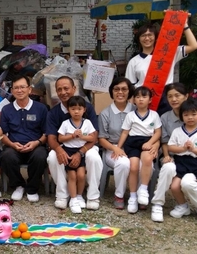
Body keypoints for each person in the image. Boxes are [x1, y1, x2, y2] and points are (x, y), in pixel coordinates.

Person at [151, 83, 197, 222]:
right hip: (175, 157)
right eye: (170, 96)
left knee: (195, 184)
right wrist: (167, 155)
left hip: (196, 158)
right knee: (169, 170)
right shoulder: (165, 117)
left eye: (177, 95)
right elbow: (165, 141)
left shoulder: (196, 115)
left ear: (186, 96)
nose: (174, 99)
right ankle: (159, 204)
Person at [46, 76, 102, 210]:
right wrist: (59, 150)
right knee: (53, 157)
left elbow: (94, 137)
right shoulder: (54, 112)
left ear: (74, 89)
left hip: (86, 146)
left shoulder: (86, 107)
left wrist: (80, 153)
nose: (63, 92)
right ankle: (62, 195)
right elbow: (52, 138)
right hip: (65, 146)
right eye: (59, 89)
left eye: (66, 88)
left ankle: (93, 196)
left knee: (93, 157)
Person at [125, 15, 197, 114]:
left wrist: (184, 24)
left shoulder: (168, 53)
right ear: (138, 39)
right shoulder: (134, 61)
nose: (147, 38)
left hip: (166, 98)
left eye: (150, 35)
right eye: (143, 35)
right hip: (144, 99)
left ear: (156, 37)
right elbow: (130, 87)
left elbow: (194, 45)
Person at [0, 74, 48, 202]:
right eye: (16, 88)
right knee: (6, 156)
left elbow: (47, 133)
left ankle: (32, 188)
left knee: (40, 156)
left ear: (29, 89)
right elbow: (2, 134)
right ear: (12, 91)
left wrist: (37, 143)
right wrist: (12, 144)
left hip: (35, 145)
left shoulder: (41, 108)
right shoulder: (6, 109)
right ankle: (18, 185)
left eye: (22, 87)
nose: (19, 90)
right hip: (14, 146)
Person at [168, 99, 197, 223]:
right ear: (181, 116)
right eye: (186, 114)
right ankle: (183, 205)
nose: (190, 117)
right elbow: (170, 147)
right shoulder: (177, 131)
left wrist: (194, 149)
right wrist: (183, 148)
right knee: (174, 187)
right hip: (181, 162)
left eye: (193, 114)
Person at [117, 86, 162, 214]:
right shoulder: (130, 115)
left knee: (147, 160)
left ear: (150, 100)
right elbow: (125, 133)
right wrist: (118, 148)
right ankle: (132, 196)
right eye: (137, 97)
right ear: (133, 100)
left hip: (147, 142)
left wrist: (150, 142)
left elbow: (158, 132)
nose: (141, 99)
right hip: (132, 142)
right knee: (134, 167)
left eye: (144, 96)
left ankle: (143, 189)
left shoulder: (154, 115)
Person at [99, 78, 137, 210]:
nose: (120, 92)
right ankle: (119, 195)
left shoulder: (136, 110)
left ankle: (137, 195)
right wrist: (115, 148)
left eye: (124, 89)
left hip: (134, 148)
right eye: (116, 89)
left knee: (143, 163)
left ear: (129, 92)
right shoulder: (105, 113)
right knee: (123, 163)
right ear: (112, 92)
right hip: (112, 148)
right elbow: (101, 138)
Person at [57, 96, 97, 214]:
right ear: (69, 110)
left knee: (81, 175)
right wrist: (72, 136)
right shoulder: (65, 123)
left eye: (79, 109)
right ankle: (73, 199)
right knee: (72, 176)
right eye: (73, 109)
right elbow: (60, 138)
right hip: (68, 151)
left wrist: (82, 136)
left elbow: (92, 137)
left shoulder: (87, 123)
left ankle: (79, 196)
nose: (76, 111)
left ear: (84, 110)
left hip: (81, 151)